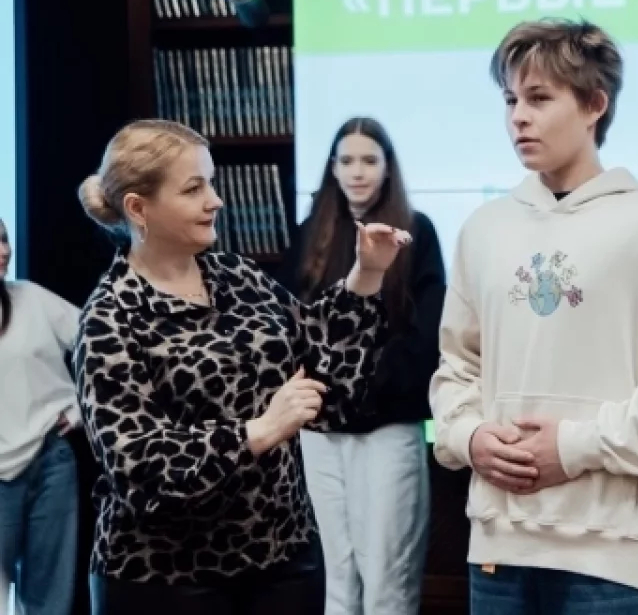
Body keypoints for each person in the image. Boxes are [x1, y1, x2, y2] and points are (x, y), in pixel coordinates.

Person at [429, 18, 638, 614]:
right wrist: (469, 436)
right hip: (498, 551)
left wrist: (577, 445)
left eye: (539, 98)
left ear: (594, 106)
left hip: (615, 560)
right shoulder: (484, 230)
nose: (519, 117)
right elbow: (457, 368)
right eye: (510, 100)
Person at [73, 119, 410, 615]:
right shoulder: (109, 318)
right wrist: (258, 432)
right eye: (193, 189)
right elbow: (138, 468)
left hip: (283, 559)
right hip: (165, 578)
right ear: (138, 208)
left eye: (211, 183)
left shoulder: (237, 275)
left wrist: (368, 272)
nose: (215, 201)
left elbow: (321, 361)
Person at [278, 117, 445, 615]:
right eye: (347, 160)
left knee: (387, 579)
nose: (357, 171)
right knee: (335, 578)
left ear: (387, 167)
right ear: (332, 168)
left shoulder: (416, 231)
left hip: (387, 426)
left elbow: (426, 333)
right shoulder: (310, 233)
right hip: (321, 430)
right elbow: (294, 326)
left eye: (369, 160)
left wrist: (365, 388)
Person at [0, 218, 82, 615]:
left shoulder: (31, 298)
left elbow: (102, 347)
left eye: (4, 240)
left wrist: (79, 409)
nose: (3, 251)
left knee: (50, 598)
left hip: (51, 461)